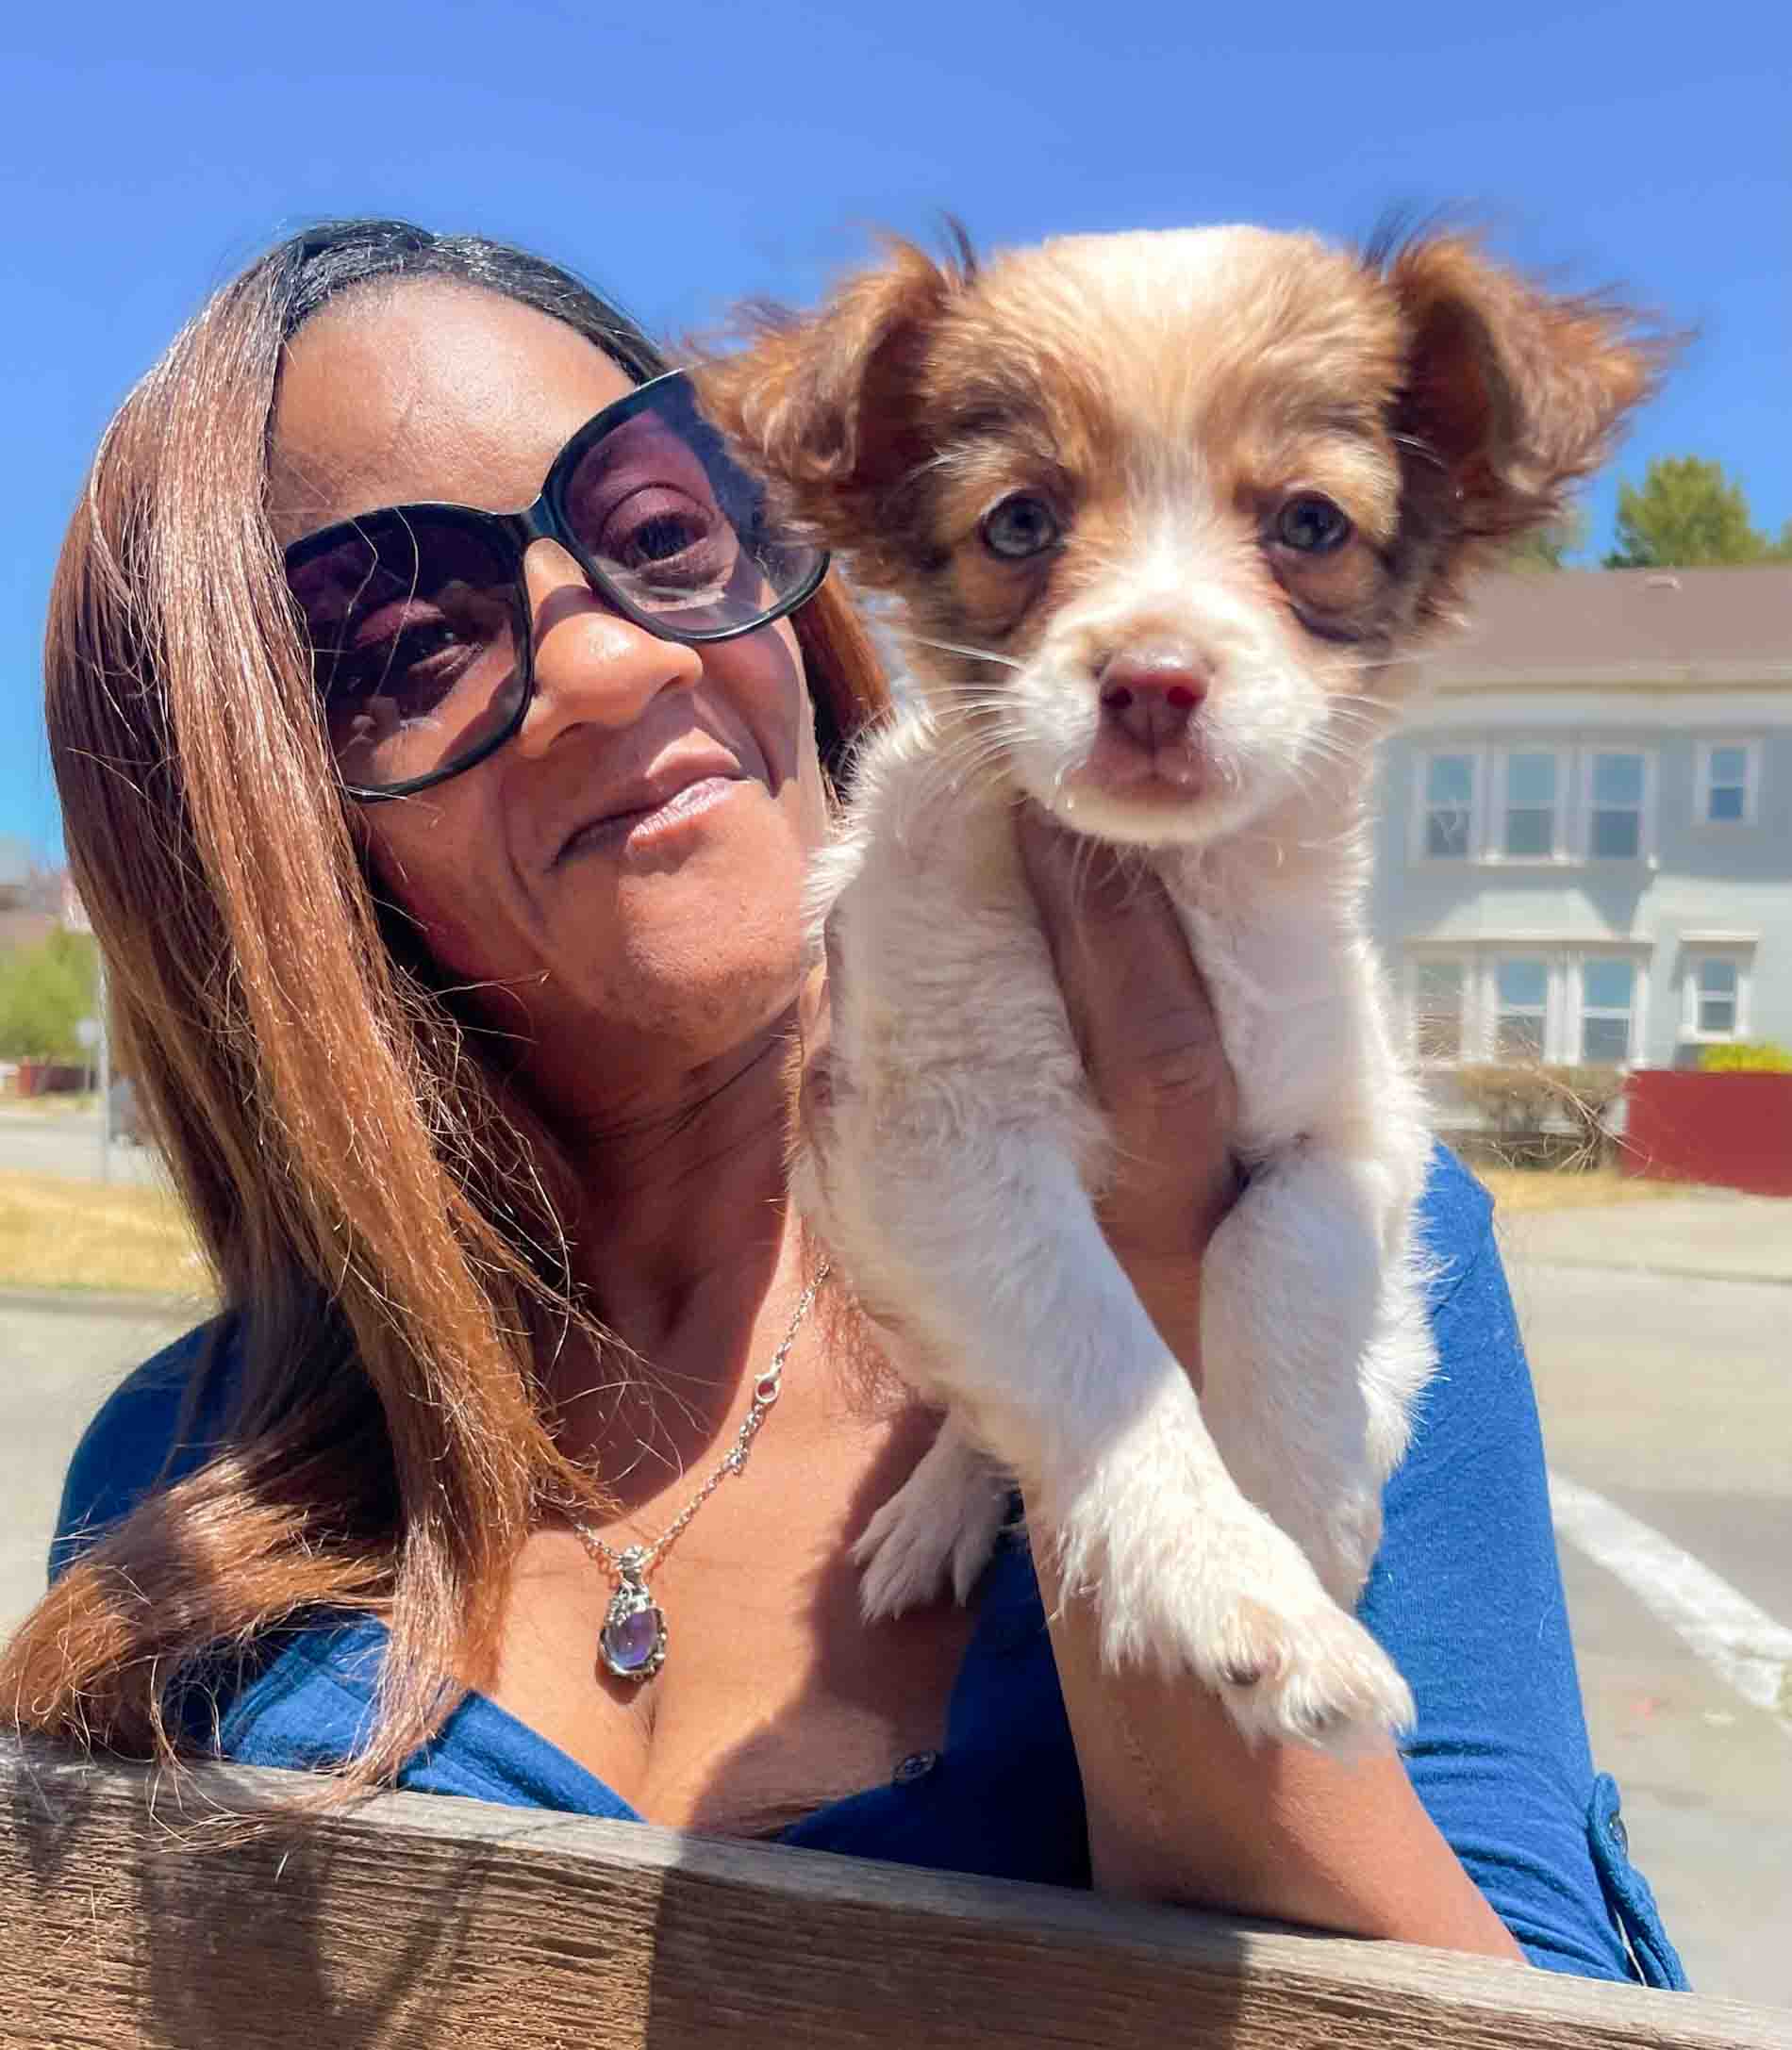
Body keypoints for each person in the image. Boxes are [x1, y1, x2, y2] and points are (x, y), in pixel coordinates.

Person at [4, 220, 1683, 1990]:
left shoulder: (1346, 1239)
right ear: (246, 821)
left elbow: (1527, 2011)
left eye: (659, 526)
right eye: (410, 635)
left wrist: (1164, 1393)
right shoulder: (193, 1477)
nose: (614, 660)